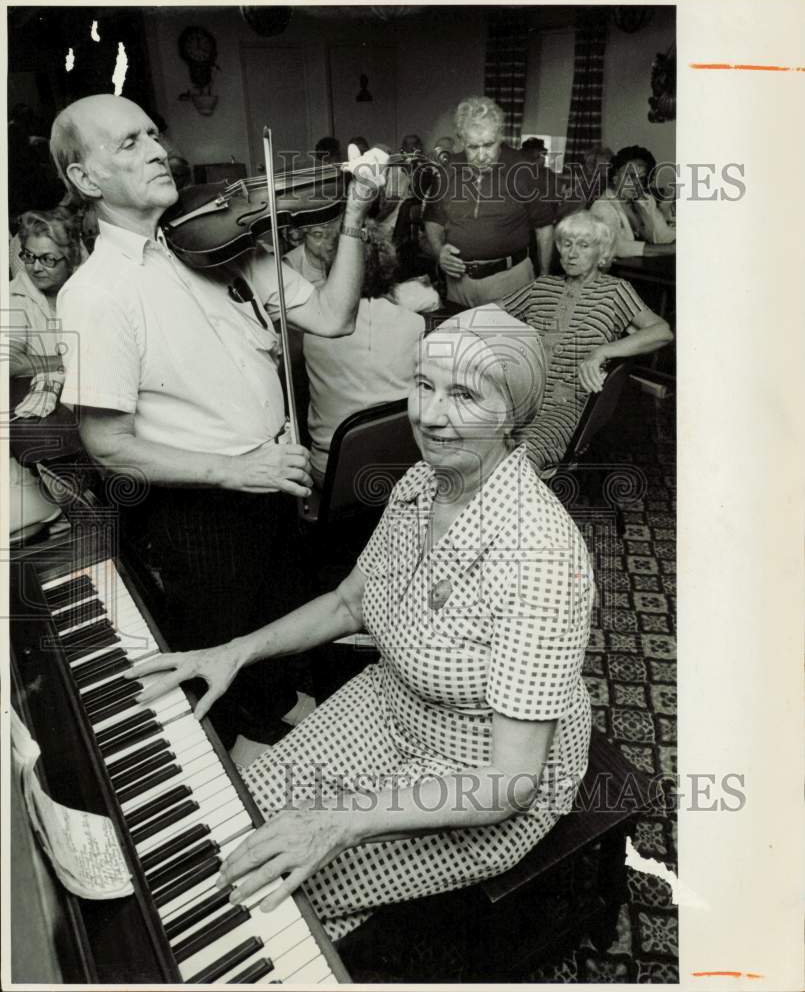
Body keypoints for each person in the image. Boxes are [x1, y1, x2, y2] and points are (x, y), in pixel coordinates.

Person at [129, 305, 594, 942]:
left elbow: (509, 782)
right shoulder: (422, 482)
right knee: (233, 827)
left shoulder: (542, 559)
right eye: (424, 384)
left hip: (476, 779)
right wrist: (233, 651)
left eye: (463, 394)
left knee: (260, 903)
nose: (429, 414)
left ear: (512, 415)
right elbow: (351, 603)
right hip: (390, 705)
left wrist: (339, 821)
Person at [52, 94, 385, 747]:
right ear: (85, 179)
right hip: (198, 515)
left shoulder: (219, 243)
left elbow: (335, 316)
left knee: (277, 625)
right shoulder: (93, 296)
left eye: (152, 133)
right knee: (219, 660)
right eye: (128, 143)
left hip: (274, 479)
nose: (156, 149)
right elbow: (107, 446)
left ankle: (288, 709)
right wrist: (235, 471)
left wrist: (353, 213)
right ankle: (252, 762)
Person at [498, 210, 673, 473]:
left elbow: (662, 331)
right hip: (517, 395)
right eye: (566, 244)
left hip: (566, 405)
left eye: (583, 245)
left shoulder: (615, 291)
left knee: (515, 463)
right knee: (463, 447)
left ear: (601, 252)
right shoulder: (542, 286)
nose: (571, 253)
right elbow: (488, 316)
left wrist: (603, 352)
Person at [303, 221, 439, 484]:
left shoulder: (313, 330)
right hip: (401, 464)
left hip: (333, 472)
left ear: (334, 268)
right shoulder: (415, 324)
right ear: (389, 270)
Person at [424, 96, 559, 307]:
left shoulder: (523, 170)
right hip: (459, 285)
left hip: (510, 281)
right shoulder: (447, 171)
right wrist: (439, 251)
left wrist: (544, 277)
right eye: (472, 147)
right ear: (460, 140)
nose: (481, 155)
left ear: (500, 136)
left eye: (488, 145)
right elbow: (433, 221)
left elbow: (544, 228)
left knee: (506, 341)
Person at [7, 210, 85, 466]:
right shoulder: (14, 296)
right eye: (28, 257)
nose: (36, 267)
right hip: (43, 418)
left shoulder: (88, 290)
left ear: (71, 258)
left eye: (48, 259)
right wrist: (73, 359)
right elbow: (10, 362)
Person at [589, 145, 675, 258]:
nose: (635, 184)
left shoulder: (646, 200)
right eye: (630, 176)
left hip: (645, 267)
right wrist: (669, 249)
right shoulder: (602, 207)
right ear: (615, 177)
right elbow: (617, 247)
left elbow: (662, 233)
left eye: (641, 178)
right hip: (617, 269)